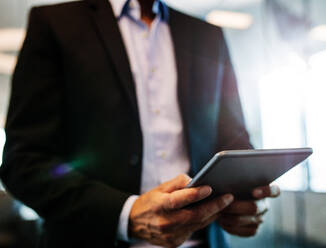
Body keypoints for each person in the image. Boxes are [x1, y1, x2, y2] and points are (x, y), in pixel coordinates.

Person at [0, 0, 280, 247]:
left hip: (205, 241)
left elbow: (234, 142)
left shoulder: (208, 35)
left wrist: (245, 198)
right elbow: (24, 163)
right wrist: (126, 214)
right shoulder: (55, 25)